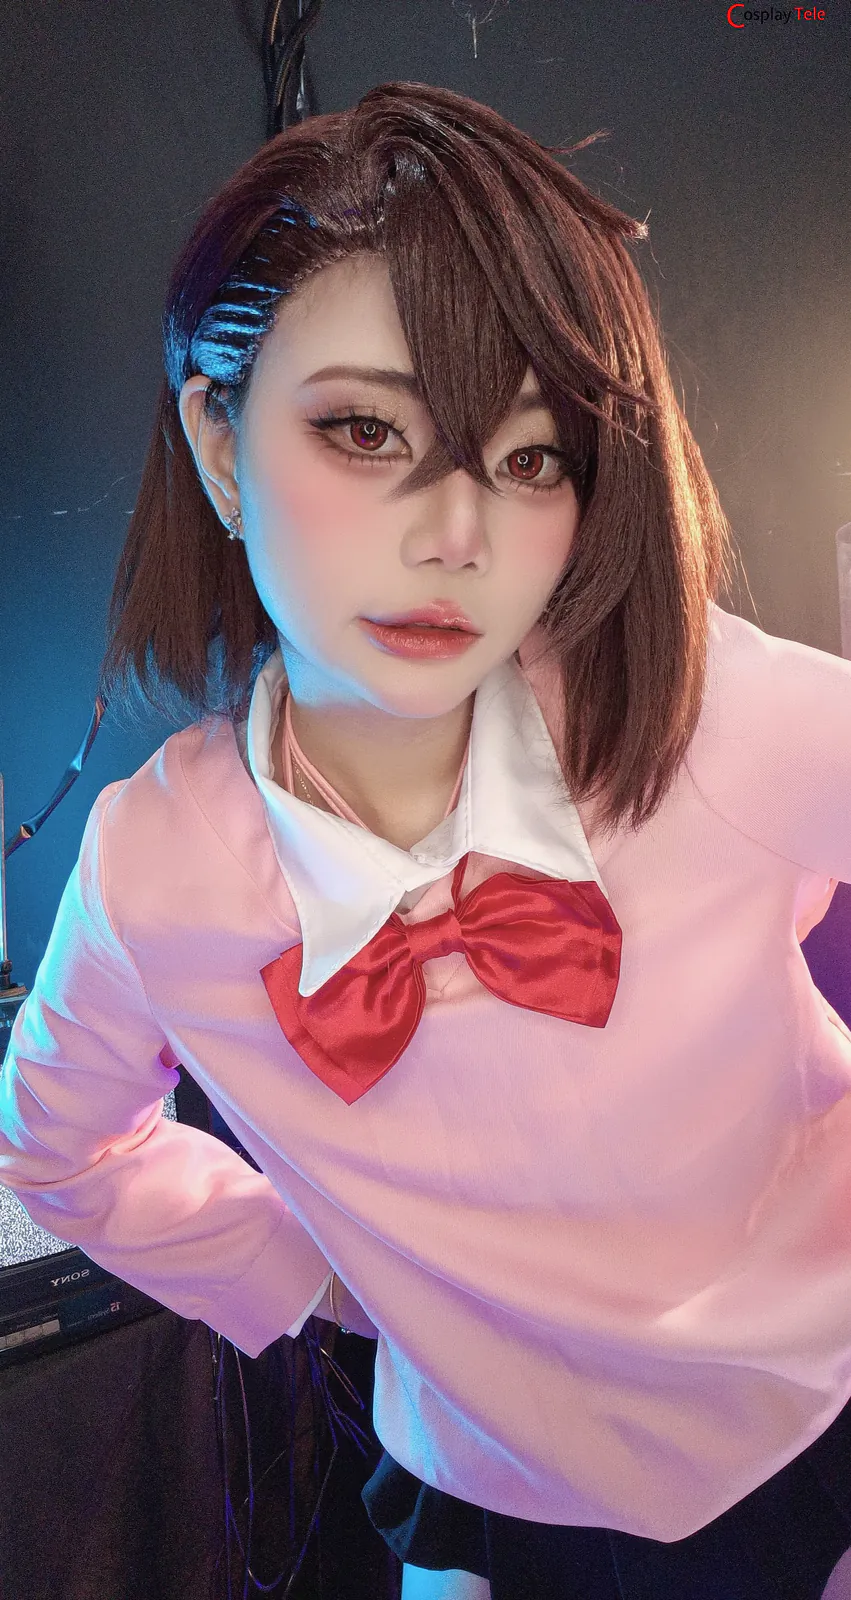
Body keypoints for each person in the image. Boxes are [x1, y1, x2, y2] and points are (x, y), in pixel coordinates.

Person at [2, 81, 851, 1600]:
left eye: (529, 460)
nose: (457, 535)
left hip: (811, 1401)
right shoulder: (156, 871)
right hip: (497, 1473)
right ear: (217, 440)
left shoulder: (708, 720)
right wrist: (324, 1279)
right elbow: (52, 1152)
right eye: (363, 429)